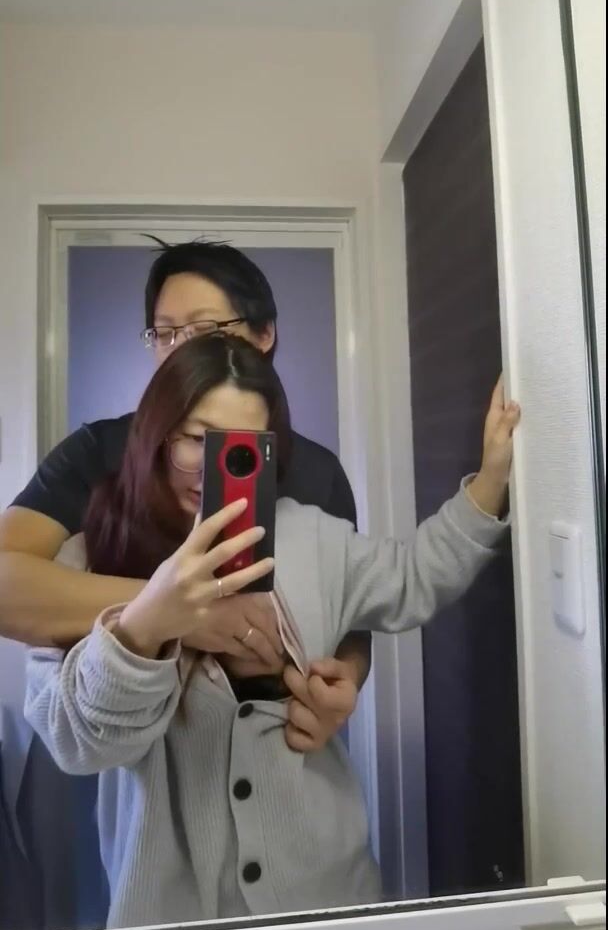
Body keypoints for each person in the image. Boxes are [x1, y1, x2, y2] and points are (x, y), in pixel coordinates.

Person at [25, 333, 520, 926]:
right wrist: (149, 617)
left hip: (330, 899)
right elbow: (79, 744)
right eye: (196, 439)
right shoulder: (88, 558)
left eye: (241, 448)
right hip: (169, 916)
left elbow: (413, 578)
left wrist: (491, 479)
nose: (213, 468)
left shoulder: (312, 536)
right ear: (156, 432)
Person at [1, 239, 370, 749]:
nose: (180, 351)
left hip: (285, 762)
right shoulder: (97, 451)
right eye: (165, 333)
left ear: (264, 334)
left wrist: (346, 680)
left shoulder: (318, 472)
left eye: (204, 330)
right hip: (139, 763)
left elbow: (355, 619)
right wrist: (176, 610)